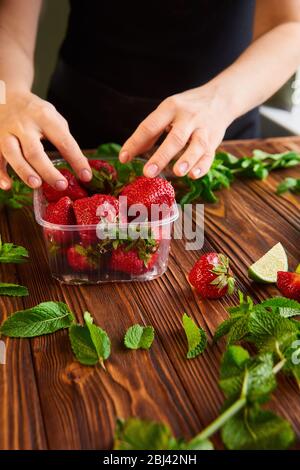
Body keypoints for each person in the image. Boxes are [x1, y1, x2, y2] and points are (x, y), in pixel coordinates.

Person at [0, 0, 300, 192]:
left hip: (222, 135)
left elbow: (290, 24)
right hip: (74, 132)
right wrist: (7, 93)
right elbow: (9, 20)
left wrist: (219, 101)